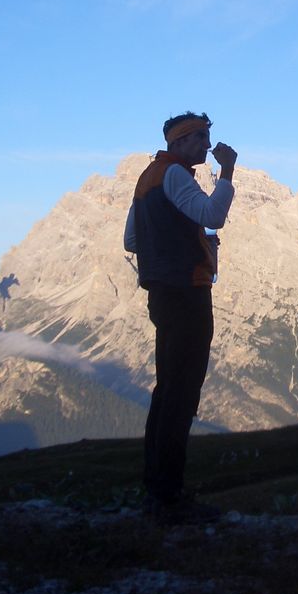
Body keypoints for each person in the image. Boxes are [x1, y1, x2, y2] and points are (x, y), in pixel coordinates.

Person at [124, 111, 236, 523]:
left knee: (167, 390)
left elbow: (131, 240)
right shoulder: (175, 174)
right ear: (181, 141)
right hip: (187, 292)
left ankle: (157, 490)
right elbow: (213, 215)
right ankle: (170, 498)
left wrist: (171, 242)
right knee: (183, 391)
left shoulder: (148, 178)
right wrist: (227, 172)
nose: (207, 144)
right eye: (201, 137)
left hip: (161, 294)